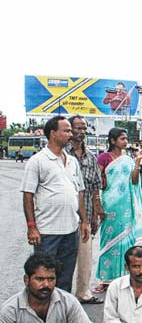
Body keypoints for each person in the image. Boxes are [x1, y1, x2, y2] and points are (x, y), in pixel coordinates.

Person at [21, 115, 90, 293]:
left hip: (70, 231)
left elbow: (79, 192)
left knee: (65, 277)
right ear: (53, 134)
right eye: (66, 130)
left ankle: (62, 315)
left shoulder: (72, 161)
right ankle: (40, 315)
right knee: (43, 277)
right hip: (47, 232)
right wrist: (31, 227)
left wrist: (83, 221)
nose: (71, 133)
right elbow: (28, 195)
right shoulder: (37, 161)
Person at [94, 128, 142, 293]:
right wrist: (98, 205)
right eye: (122, 139)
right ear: (112, 140)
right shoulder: (103, 158)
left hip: (126, 207)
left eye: (126, 138)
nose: (125, 142)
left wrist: (137, 163)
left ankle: (124, 277)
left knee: (127, 241)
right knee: (108, 241)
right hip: (109, 205)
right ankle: (106, 279)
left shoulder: (128, 159)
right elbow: (97, 182)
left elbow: (134, 181)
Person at [66, 115, 104, 304]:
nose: (81, 132)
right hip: (63, 217)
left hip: (86, 216)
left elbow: (96, 187)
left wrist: (96, 213)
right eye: (77, 128)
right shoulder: (62, 154)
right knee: (63, 259)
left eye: (84, 128)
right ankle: (60, 294)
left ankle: (83, 292)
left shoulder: (91, 157)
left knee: (85, 257)